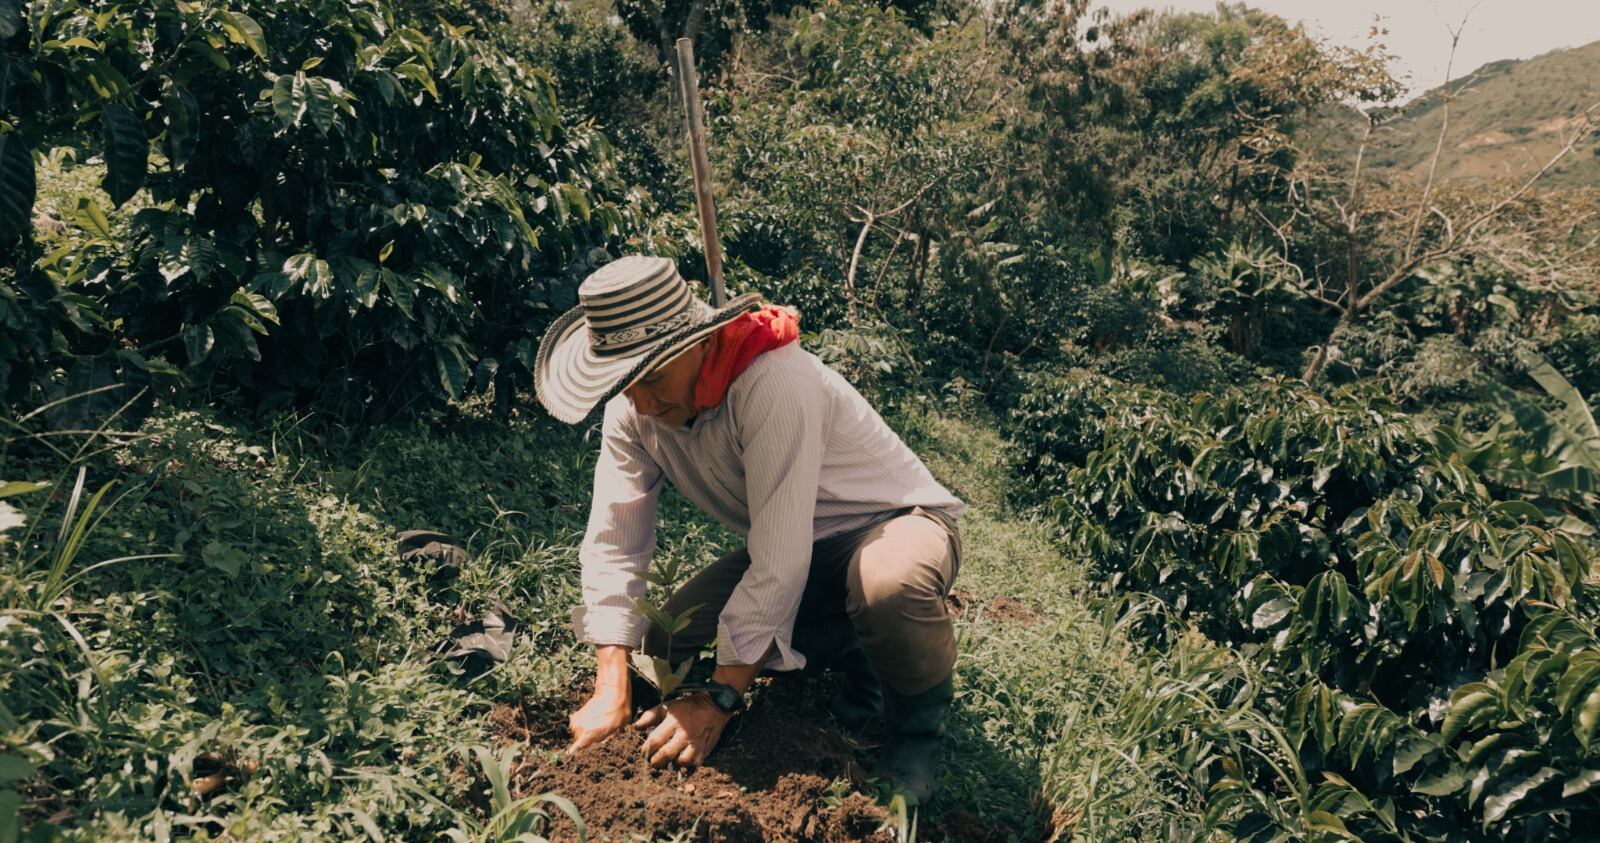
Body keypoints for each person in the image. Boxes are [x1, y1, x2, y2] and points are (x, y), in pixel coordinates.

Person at [534, 255, 964, 803]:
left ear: (699, 343)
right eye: (625, 383)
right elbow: (616, 538)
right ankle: (851, 642)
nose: (641, 401)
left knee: (887, 586)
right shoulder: (634, 409)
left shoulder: (773, 383)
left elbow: (779, 561)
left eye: (654, 375)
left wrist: (718, 700)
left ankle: (916, 734)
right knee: (669, 637)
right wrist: (610, 681)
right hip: (804, 544)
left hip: (894, 525)